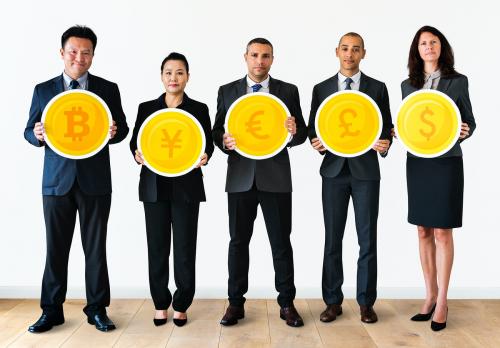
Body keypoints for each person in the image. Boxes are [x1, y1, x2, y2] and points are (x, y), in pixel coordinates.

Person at [24, 25, 129, 333]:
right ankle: (51, 310)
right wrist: (37, 134)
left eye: (86, 52)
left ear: (93, 56)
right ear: (62, 53)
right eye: (73, 51)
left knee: (95, 248)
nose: (79, 58)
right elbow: (28, 130)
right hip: (56, 181)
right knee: (55, 248)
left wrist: (114, 132)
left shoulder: (107, 89)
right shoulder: (44, 90)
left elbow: (121, 127)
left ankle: (97, 309)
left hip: (95, 181)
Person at [212, 38, 307, 327]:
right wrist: (224, 141)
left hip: (276, 178)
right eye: (254, 55)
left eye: (265, 56)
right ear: (245, 57)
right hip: (240, 178)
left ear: (272, 59)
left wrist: (294, 130)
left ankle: (287, 304)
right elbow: (217, 130)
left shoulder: (287, 91)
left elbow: (302, 133)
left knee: (281, 243)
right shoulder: (227, 91)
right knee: (238, 242)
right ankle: (235, 304)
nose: (259, 61)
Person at [308, 32, 393, 324]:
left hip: (366, 173)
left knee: (367, 239)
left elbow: (386, 128)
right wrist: (315, 142)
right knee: (333, 238)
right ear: (336, 51)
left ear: (363, 54)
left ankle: (366, 303)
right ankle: (332, 302)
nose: (349, 54)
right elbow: (313, 128)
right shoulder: (321, 89)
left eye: (355, 49)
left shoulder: (378, 88)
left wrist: (385, 144)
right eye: (345, 48)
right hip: (333, 172)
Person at [129, 52, 214, 327]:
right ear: (161, 76)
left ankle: (181, 303)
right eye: (168, 72)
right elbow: (135, 143)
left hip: (187, 186)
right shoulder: (146, 108)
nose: (173, 78)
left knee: (185, 247)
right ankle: (160, 303)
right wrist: (137, 154)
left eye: (179, 72)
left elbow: (207, 144)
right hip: (154, 185)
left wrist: (205, 156)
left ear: (187, 76)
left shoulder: (199, 109)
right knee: (157, 247)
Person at [401, 25, 476, 331]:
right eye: (423, 43)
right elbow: (407, 120)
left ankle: (443, 300)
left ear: (441, 47)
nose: (428, 47)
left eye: (433, 42)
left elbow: (469, 119)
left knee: (443, 231)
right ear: (416, 50)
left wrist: (465, 130)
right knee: (422, 230)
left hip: (446, 163)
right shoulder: (408, 85)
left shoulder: (458, 81)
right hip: (418, 161)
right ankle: (429, 294)